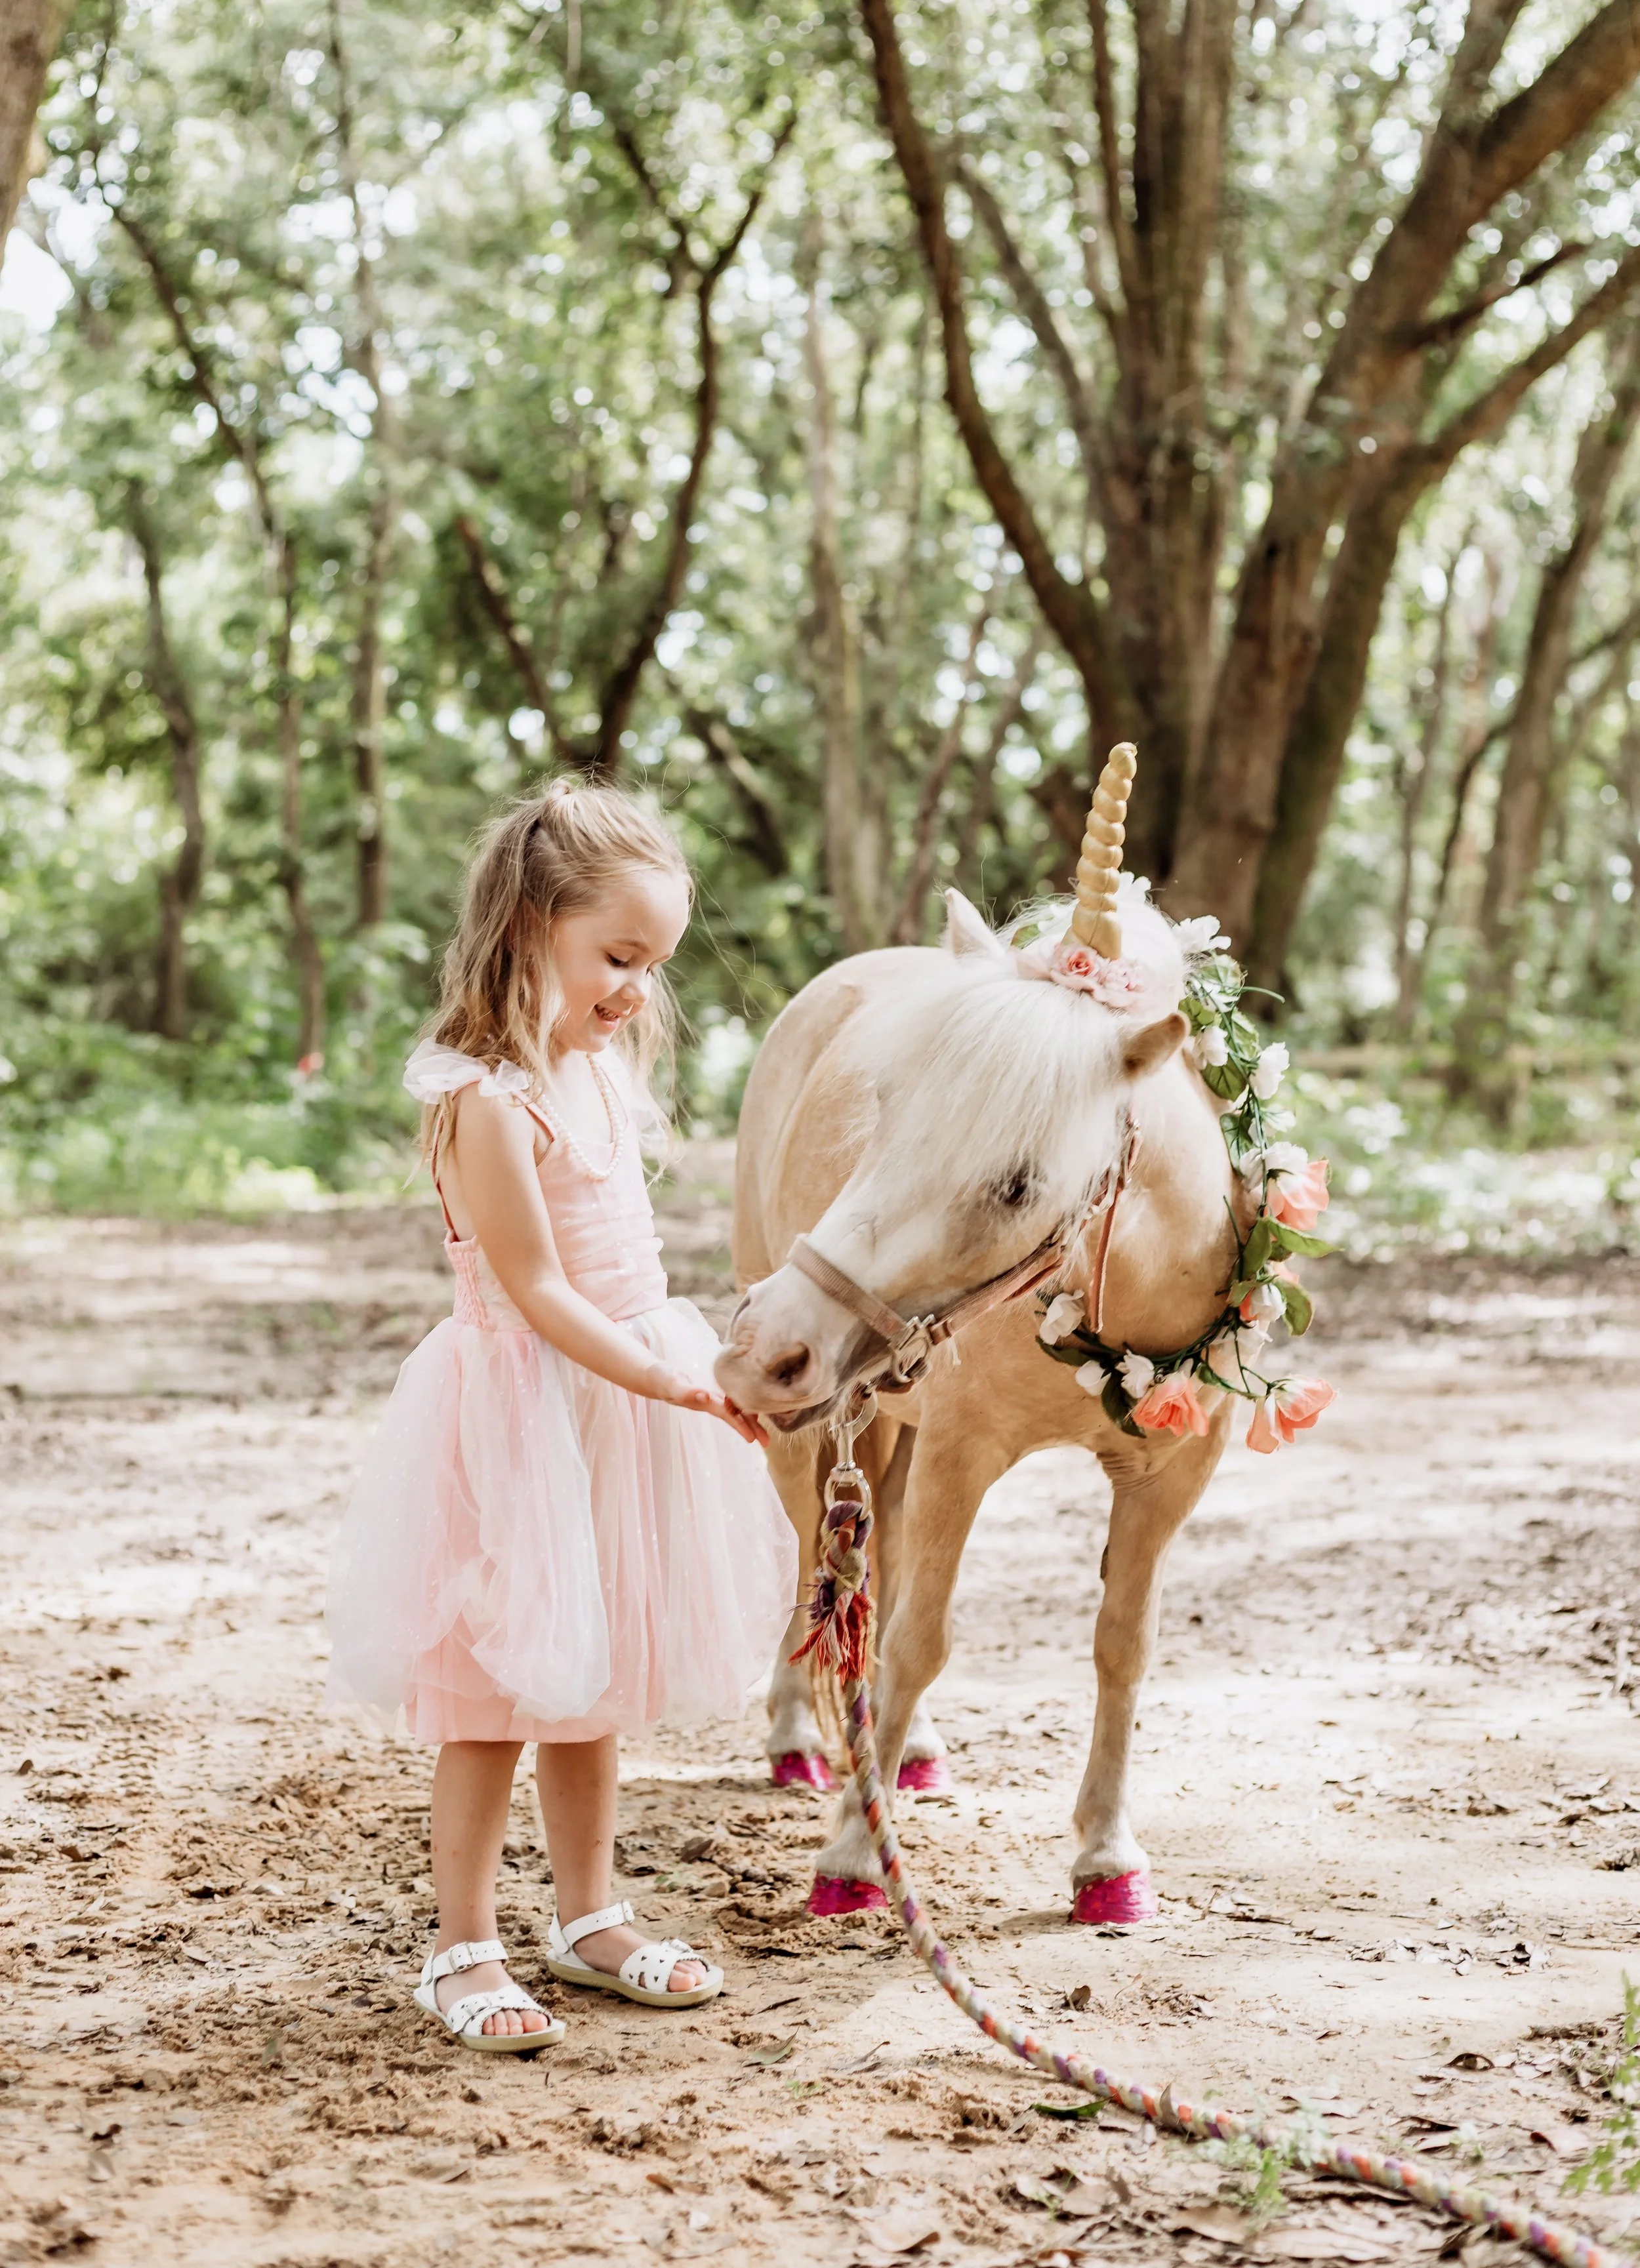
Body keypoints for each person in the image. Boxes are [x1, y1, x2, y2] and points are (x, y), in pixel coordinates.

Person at [326, 779, 798, 2054]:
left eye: (653, 964)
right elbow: (531, 1289)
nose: (637, 990)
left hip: (617, 1394)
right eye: (619, 957)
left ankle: (589, 1915)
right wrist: (670, 1381)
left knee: (591, 1679)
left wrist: (683, 1363)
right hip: (522, 1410)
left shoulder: (596, 1067)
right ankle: (460, 1942)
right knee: (492, 1691)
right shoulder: (485, 1095)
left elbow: (622, 1257)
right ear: (534, 922)